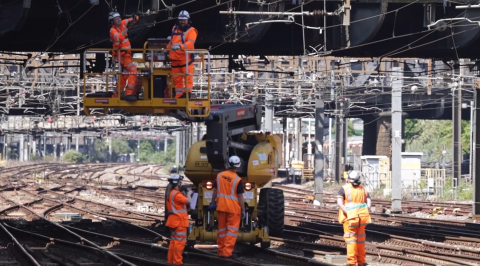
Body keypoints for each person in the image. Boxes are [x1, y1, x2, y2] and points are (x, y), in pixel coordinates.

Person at [210, 155, 245, 258]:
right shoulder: (237, 179)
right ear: (238, 166)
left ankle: (221, 251)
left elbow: (215, 191)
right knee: (232, 231)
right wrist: (243, 209)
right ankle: (227, 253)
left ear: (228, 164)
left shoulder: (220, 175)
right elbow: (240, 196)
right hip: (233, 209)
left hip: (221, 207)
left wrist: (212, 203)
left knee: (222, 230)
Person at [337, 170, 372, 266]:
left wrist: (348, 212)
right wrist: (364, 210)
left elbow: (340, 203)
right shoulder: (363, 189)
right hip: (362, 219)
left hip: (350, 219)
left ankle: (352, 263)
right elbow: (368, 203)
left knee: (351, 240)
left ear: (348, 179)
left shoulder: (344, 189)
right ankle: (361, 262)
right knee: (360, 240)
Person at [167, 10, 198, 99]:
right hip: (174, 59)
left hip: (185, 59)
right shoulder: (174, 28)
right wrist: (166, 49)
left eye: (184, 20)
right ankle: (179, 95)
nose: (182, 21)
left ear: (188, 20)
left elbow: (190, 43)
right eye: (181, 20)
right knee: (177, 79)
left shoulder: (192, 31)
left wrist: (180, 47)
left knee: (187, 77)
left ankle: (188, 94)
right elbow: (172, 42)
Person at [109, 11, 140, 101]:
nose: (118, 20)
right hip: (121, 56)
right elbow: (120, 37)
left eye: (119, 18)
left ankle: (116, 95)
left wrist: (135, 17)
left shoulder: (123, 23)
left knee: (124, 76)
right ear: (112, 22)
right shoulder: (112, 31)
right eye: (116, 19)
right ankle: (129, 93)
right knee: (133, 71)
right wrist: (127, 28)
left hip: (126, 55)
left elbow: (134, 19)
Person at [166, 174, 193, 265]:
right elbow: (189, 201)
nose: (181, 184)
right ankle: (177, 261)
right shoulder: (176, 194)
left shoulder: (170, 193)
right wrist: (189, 193)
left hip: (173, 220)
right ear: (177, 183)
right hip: (179, 222)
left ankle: (171, 260)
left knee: (173, 241)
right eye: (180, 182)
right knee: (180, 242)